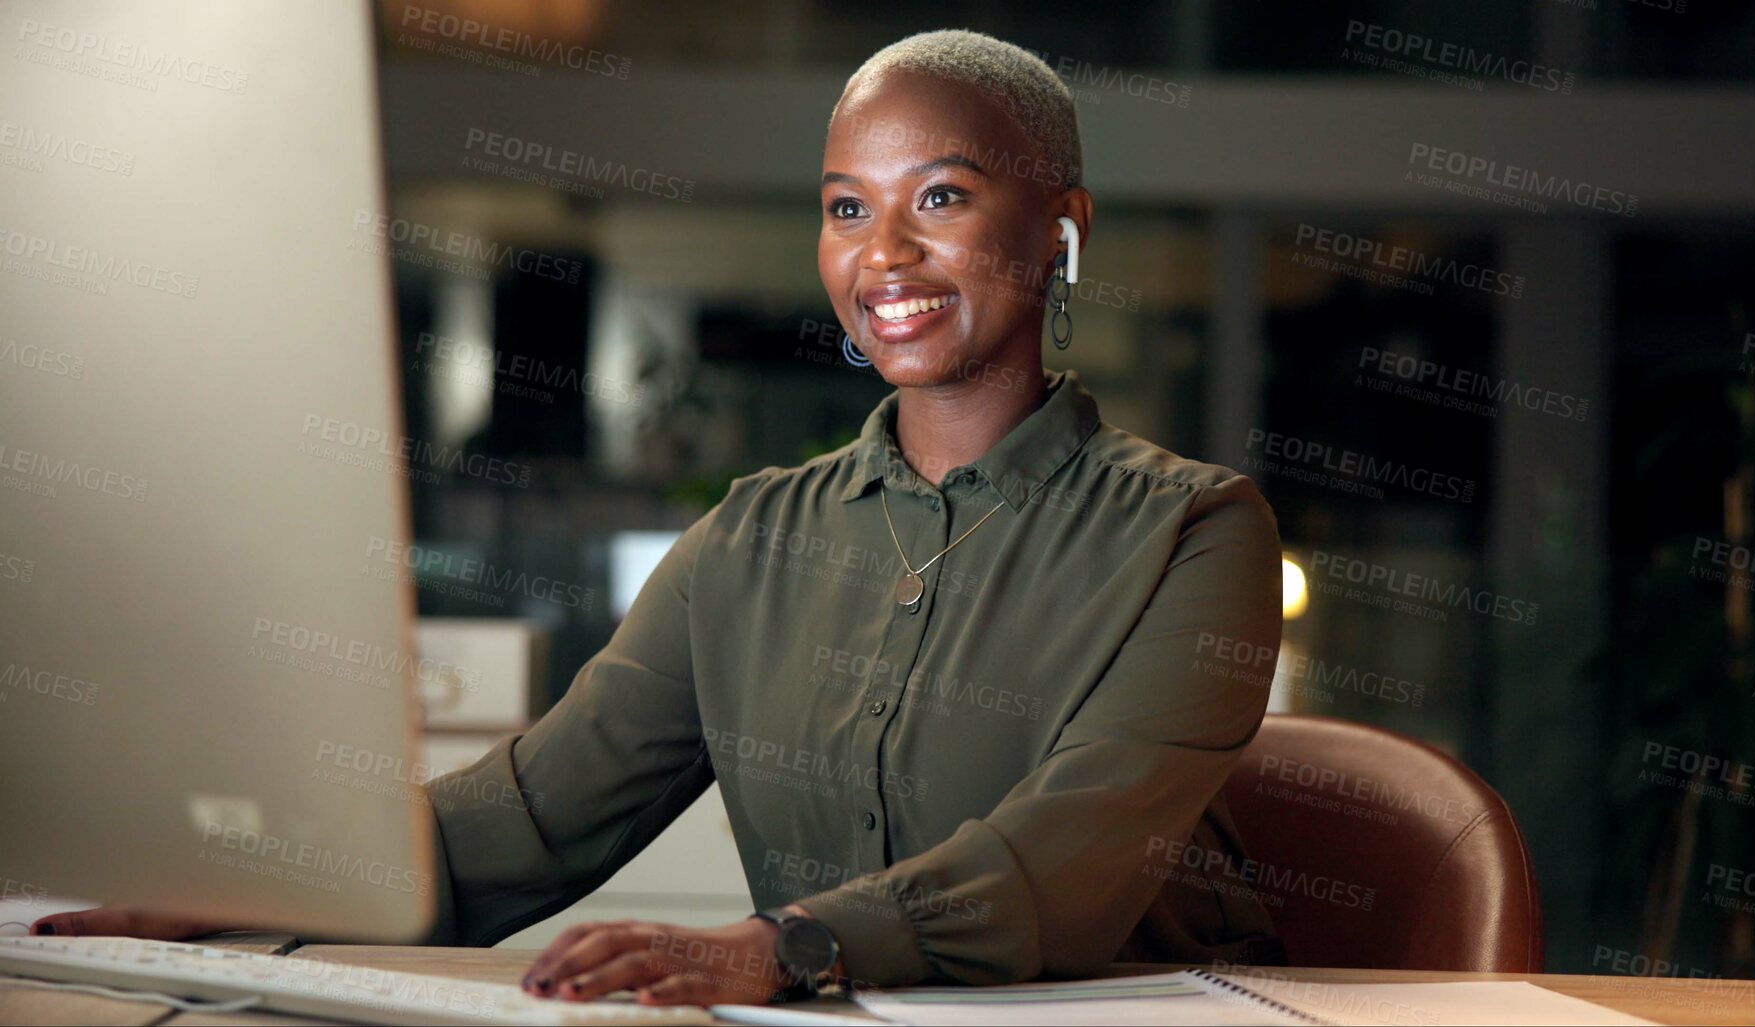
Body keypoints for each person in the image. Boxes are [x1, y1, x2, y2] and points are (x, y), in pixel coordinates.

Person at [36, 28, 1287, 1006]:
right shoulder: (752, 538)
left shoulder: (1196, 531)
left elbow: (1060, 864)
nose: (883, 255)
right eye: (847, 207)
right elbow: (530, 815)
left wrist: (781, 948)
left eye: (941, 199)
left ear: (1061, 231)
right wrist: (252, 887)